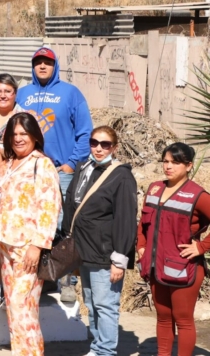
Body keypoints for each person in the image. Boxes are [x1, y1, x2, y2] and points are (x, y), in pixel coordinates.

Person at [0, 113, 60, 356]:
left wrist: (38, 245)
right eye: (14, 134)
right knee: (13, 309)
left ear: (35, 136)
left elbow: (50, 206)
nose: (18, 138)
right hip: (4, 246)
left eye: (24, 133)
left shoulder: (42, 164)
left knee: (23, 307)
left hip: (28, 248)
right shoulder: (5, 164)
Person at [17, 47, 92, 299]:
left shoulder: (70, 93)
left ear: (55, 65)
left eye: (47, 62)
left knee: (60, 224)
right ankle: (41, 274)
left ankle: (66, 280)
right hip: (29, 170)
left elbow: (85, 133)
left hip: (61, 170)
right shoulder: (23, 94)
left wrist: (71, 163)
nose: (42, 66)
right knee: (32, 222)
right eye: (37, 62)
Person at [62, 126, 136, 356]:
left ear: (114, 147)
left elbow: (125, 218)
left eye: (105, 144)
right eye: (94, 142)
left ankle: (105, 351)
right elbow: (71, 205)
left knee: (106, 306)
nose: (99, 148)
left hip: (106, 254)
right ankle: (98, 347)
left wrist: (119, 258)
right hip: (84, 250)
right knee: (92, 304)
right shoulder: (84, 167)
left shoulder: (121, 175)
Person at [138, 142, 210, 356]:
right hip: (156, 267)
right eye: (166, 161)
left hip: (184, 268)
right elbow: (143, 223)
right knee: (162, 317)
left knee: (184, 320)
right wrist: (141, 246)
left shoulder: (197, 195)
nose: (168, 167)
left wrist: (201, 246)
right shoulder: (154, 188)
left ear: (188, 166)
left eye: (175, 162)